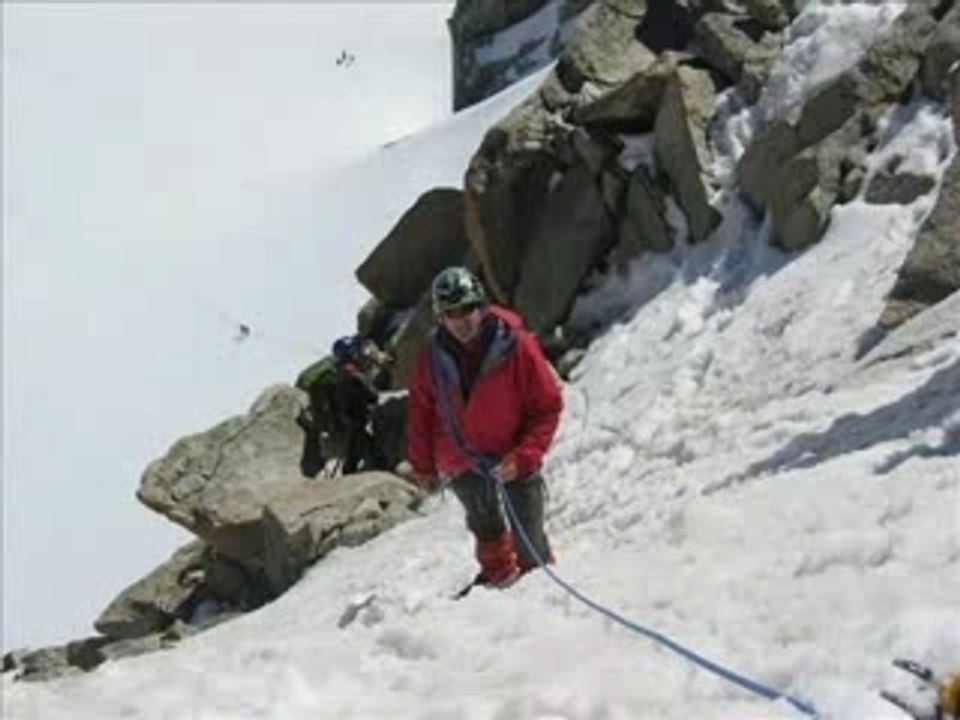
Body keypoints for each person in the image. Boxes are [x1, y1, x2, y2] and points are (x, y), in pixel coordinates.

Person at [407, 266, 564, 588]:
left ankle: (537, 583)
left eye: (468, 309)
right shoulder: (433, 356)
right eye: (451, 313)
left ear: (481, 306)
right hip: (459, 454)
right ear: (441, 317)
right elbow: (421, 411)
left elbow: (546, 407)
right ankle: (498, 575)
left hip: (513, 451)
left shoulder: (515, 345)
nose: (461, 320)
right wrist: (423, 465)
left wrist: (522, 456)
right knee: (484, 522)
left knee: (529, 534)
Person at [331, 334, 387, 474]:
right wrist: (373, 397)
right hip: (357, 413)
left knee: (357, 441)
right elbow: (369, 391)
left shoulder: (340, 370)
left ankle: (357, 468)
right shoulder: (352, 371)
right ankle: (379, 465)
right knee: (359, 441)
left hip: (349, 413)